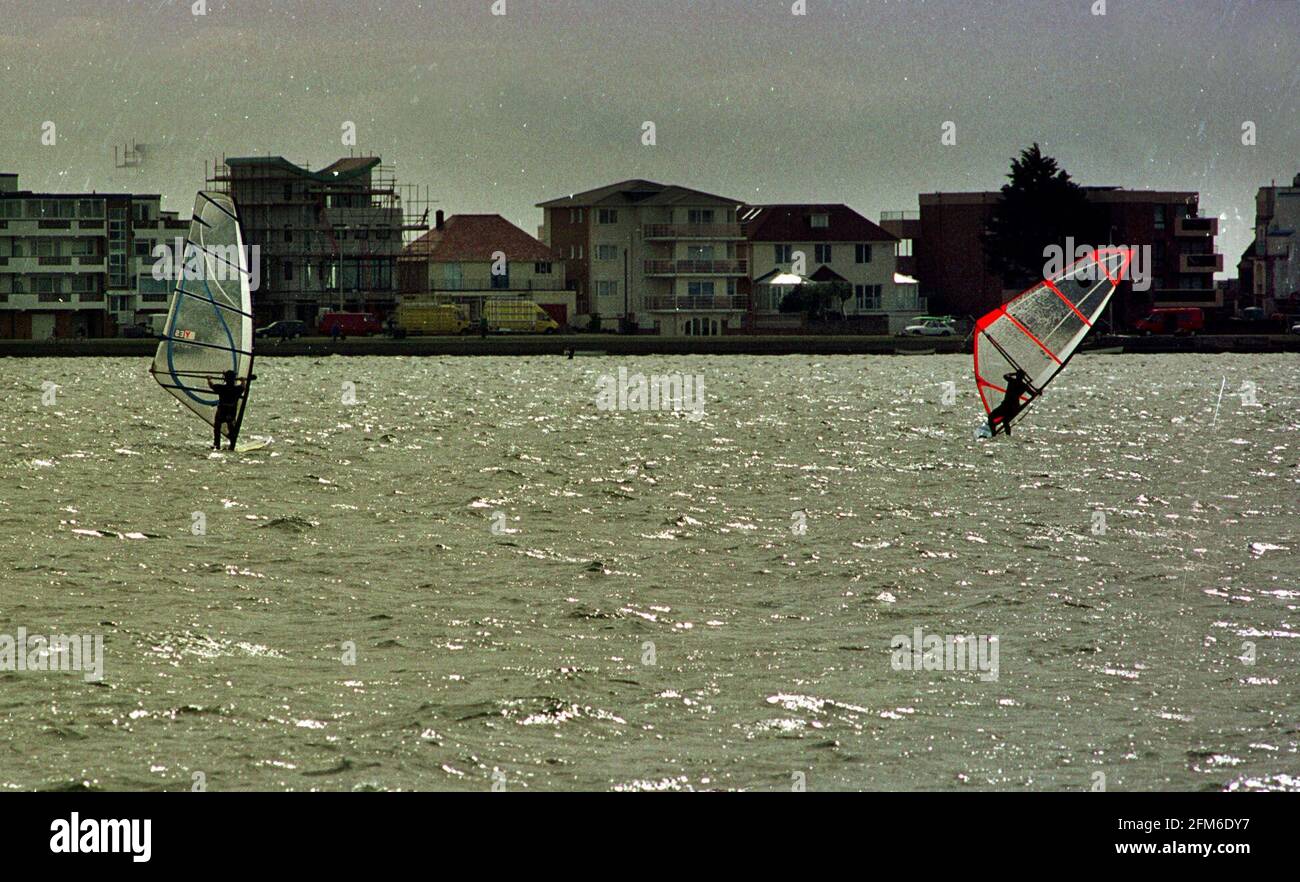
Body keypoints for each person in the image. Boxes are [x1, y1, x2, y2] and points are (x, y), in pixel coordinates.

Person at [207, 369, 256, 450]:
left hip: (222, 411)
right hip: (231, 412)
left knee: (217, 427)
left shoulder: (221, 388)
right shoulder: (237, 389)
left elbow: (212, 385)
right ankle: (232, 443)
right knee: (231, 426)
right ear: (234, 379)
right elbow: (243, 387)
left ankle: (217, 444)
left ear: (225, 379)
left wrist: (209, 379)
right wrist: (243, 380)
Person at [987, 369, 1033, 436]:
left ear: (1019, 376)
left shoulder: (1016, 382)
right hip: (1007, 405)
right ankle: (995, 434)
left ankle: (1000, 435)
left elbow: (1006, 375)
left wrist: (1014, 374)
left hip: (1011, 407)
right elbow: (1005, 376)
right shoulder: (1019, 384)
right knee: (995, 418)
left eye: (1018, 375)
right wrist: (1038, 392)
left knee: (1003, 420)